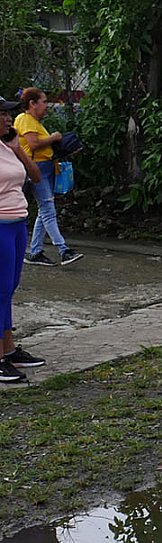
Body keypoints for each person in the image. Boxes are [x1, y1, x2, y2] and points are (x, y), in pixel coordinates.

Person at [0, 98, 45, 383]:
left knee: (8, 290)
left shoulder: (8, 147)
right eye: (3, 114)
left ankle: (9, 349)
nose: (8, 118)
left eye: (8, 113)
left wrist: (18, 149)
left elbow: (36, 176)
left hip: (17, 225)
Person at [14, 88, 82, 266]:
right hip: (36, 169)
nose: (46, 106)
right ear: (32, 103)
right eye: (44, 102)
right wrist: (54, 137)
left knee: (44, 210)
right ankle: (63, 250)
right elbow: (33, 144)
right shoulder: (24, 119)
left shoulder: (35, 122)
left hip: (45, 167)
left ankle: (35, 251)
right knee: (48, 210)